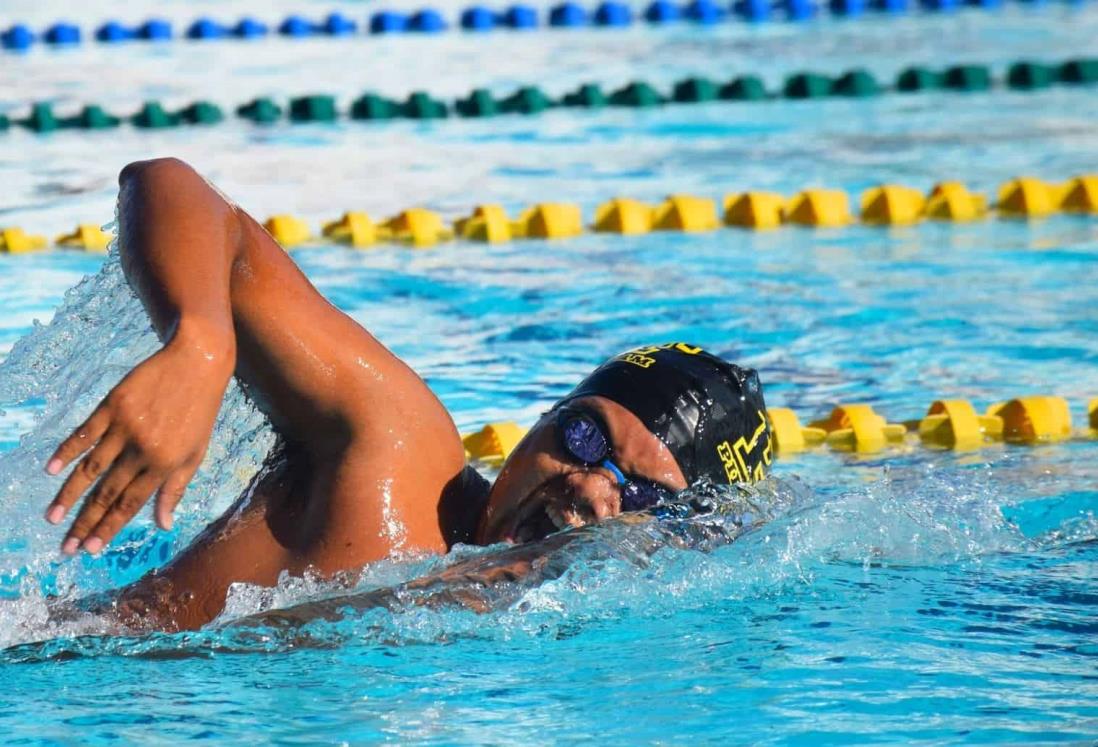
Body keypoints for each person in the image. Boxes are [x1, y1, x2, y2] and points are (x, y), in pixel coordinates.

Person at [41, 158, 773, 631]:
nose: (586, 485)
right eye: (584, 436)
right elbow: (175, 188)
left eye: (639, 493)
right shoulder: (394, 448)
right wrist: (200, 343)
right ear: (546, 415)